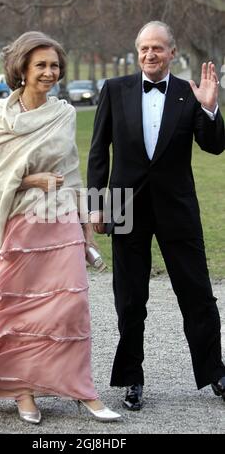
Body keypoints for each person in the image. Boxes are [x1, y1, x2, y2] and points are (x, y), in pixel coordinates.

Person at [0, 31, 121, 424]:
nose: (50, 72)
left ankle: (82, 390)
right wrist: (31, 181)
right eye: (41, 65)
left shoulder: (64, 113)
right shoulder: (0, 117)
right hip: (19, 228)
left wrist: (85, 232)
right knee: (18, 314)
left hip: (59, 223)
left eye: (54, 65)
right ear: (22, 70)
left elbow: (72, 175)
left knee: (71, 308)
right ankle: (22, 390)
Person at [87, 21, 225, 411]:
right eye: (145, 48)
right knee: (130, 299)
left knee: (197, 293)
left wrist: (211, 107)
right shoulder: (115, 90)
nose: (151, 54)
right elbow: (99, 151)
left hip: (177, 208)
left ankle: (215, 372)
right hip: (125, 205)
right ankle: (131, 378)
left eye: (158, 49)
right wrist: (97, 204)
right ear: (137, 52)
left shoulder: (188, 93)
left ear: (172, 52)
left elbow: (214, 146)